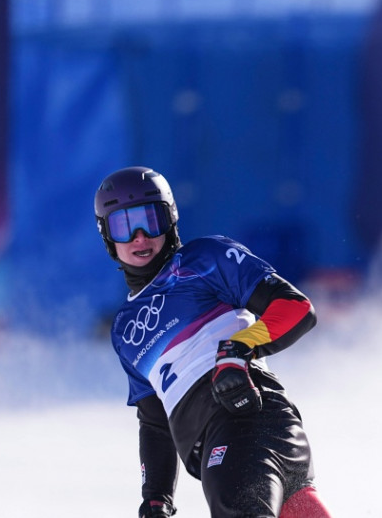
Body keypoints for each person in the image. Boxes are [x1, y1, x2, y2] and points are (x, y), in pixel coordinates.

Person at [93, 166, 333, 518]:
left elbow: (296, 308)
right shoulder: (125, 330)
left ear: (170, 218)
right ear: (107, 236)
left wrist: (239, 348)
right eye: (123, 227)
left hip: (245, 421)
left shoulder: (204, 259)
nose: (140, 237)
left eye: (150, 219)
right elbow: (155, 422)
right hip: (231, 445)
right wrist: (156, 498)